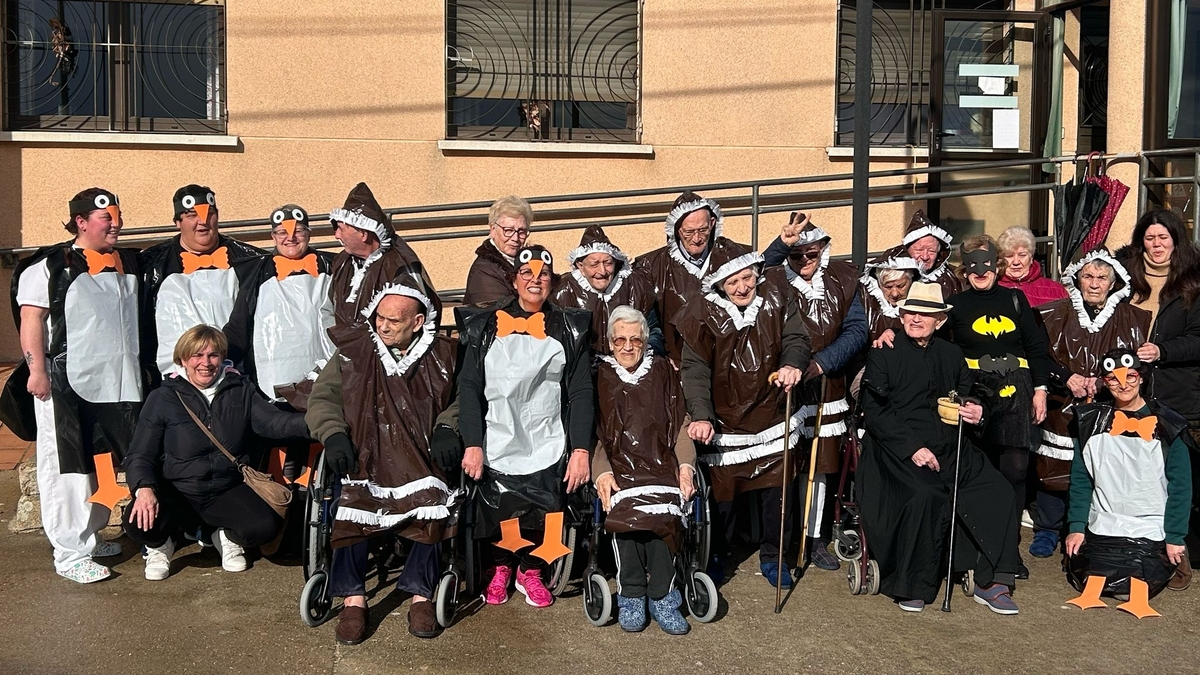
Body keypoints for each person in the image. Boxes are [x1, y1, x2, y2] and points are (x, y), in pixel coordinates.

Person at [306, 279, 456, 644]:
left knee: (433, 500)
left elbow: (463, 399)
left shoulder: (446, 355)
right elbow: (323, 399)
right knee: (351, 502)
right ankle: (354, 599)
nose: (383, 326)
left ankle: (421, 594)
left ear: (418, 322)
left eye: (393, 320)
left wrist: (447, 427)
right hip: (366, 453)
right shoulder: (354, 351)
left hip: (421, 456)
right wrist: (334, 433)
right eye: (379, 318)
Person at [858, 282, 1021, 614]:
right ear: (901, 315)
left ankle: (993, 580)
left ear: (940, 321)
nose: (916, 318)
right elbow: (875, 412)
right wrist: (912, 448)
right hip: (897, 450)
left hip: (950, 445)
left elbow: (970, 391)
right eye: (910, 312)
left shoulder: (951, 353)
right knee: (926, 495)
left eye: (925, 314)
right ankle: (913, 582)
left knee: (998, 490)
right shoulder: (883, 352)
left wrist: (977, 409)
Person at [12, 188, 142, 583]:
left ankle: (92, 531)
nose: (115, 223)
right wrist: (36, 371)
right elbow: (32, 319)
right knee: (66, 463)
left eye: (117, 215)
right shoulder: (48, 266)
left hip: (115, 383)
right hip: (64, 384)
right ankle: (70, 552)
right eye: (106, 217)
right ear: (81, 221)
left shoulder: (125, 262)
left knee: (102, 457)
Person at [457, 245, 593, 609]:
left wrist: (581, 449)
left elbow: (580, 391)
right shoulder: (485, 326)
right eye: (528, 274)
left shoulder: (568, 328)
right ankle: (501, 565)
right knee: (502, 503)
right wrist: (472, 442)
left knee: (546, 502)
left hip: (547, 433)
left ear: (552, 282)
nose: (536, 280)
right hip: (497, 431)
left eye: (544, 274)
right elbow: (468, 387)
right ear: (514, 279)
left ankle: (531, 569)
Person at [672, 238, 811, 588]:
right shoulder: (701, 313)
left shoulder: (779, 298)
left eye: (747, 277)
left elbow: (797, 338)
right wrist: (701, 415)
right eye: (732, 282)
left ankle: (774, 556)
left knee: (777, 495)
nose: (742, 287)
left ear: (757, 273)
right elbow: (695, 369)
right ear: (720, 284)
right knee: (723, 500)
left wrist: (793, 364)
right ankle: (717, 555)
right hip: (725, 420)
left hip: (773, 413)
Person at [122, 325, 309, 580]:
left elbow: (275, 423)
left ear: (222, 357)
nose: (205, 363)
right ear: (183, 360)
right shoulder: (163, 398)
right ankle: (160, 545)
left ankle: (223, 535)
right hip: (178, 490)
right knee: (136, 520)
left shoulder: (240, 390)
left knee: (265, 526)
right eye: (197, 356)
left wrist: (320, 422)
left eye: (213, 355)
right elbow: (140, 454)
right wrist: (144, 488)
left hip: (225, 488)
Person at [761, 214, 867, 571]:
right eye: (797, 256)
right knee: (784, 467)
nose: (805, 261)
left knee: (821, 466)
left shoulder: (843, 279)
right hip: (784, 386)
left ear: (823, 249)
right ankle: (778, 543)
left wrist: (823, 363)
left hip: (826, 384)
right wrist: (781, 246)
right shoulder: (775, 279)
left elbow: (856, 330)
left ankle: (813, 537)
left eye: (812, 254)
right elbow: (756, 268)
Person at [1032, 250, 1150, 559]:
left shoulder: (1132, 318)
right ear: (1077, 279)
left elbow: (1137, 362)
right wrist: (1066, 377)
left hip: (1110, 403)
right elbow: (1039, 355)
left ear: (1113, 283)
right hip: (1063, 402)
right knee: (1054, 463)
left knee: (1103, 468)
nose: (1094, 284)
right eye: (1088, 276)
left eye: (1101, 278)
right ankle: (1047, 528)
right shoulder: (1053, 313)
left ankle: (1087, 527)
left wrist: (1104, 380)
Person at [1065, 348, 1192, 617]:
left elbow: (1181, 486)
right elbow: (1081, 478)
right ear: (1104, 381)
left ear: (1142, 378)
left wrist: (1175, 537)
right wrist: (1076, 527)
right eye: (1113, 378)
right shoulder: (1090, 422)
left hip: (1151, 524)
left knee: (1133, 584)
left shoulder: (1167, 426)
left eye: (1131, 376)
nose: (1123, 384)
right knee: (1091, 579)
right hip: (1105, 521)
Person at [593, 306, 696, 635]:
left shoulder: (664, 371)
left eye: (635, 339)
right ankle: (632, 595)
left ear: (645, 341)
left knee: (663, 517)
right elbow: (593, 436)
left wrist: (686, 466)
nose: (627, 346)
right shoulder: (600, 377)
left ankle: (664, 596)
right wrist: (601, 471)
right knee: (626, 519)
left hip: (661, 466)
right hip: (619, 469)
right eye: (620, 339)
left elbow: (681, 425)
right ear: (610, 343)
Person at [1117, 209, 1200, 590]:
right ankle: (1136, 551)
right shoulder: (1125, 278)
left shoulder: (1192, 283)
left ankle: (1179, 556)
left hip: (1177, 393)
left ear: (1175, 241)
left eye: (1163, 238)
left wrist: (1162, 351)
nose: (1157, 245)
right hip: (1129, 392)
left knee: (1177, 478)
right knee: (1139, 479)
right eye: (1150, 238)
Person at [140, 185, 263, 382]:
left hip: (237, 378)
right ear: (177, 222)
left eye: (210, 214)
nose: (202, 221)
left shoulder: (250, 260)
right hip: (177, 384)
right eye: (191, 215)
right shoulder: (150, 264)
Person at [224, 204, 335, 401]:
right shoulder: (255, 273)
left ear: (309, 233)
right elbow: (239, 324)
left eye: (298, 231)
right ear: (273, 236)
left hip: (327, 377)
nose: (290, 238)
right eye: (282, 232)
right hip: (273, 383)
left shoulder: (334, 267)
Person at [328, 182, 439, 335]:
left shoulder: (398, 266)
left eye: (341, 229)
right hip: (349, 352)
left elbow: (414, 323)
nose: (336, 235)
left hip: (387, 354)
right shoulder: (343, 262)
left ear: (363, 233)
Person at [635, 191, 728, 363]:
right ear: (677, 230)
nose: (697, 238)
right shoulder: (652, 267)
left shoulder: (728, 255)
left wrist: (781, 246)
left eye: (703, 230)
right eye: (689, 232)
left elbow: (758, 272)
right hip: (679, 362)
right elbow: (644, 322)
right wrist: (660, 356)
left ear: (713, 223)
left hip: (726, 361)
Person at [550, 224, 662, 356]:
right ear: (580, 266)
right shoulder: (562, 292)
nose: (602, 271)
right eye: (594, 264)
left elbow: (654, 330)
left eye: (608, 263)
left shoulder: (637, 286)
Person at [464, 195, 533, 305]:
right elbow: (499, 315)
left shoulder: (527, 261)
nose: (515, 238)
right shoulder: (484, 271)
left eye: (521, 231)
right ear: (492, 229)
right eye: (508, 230)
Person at [889, 209, 962, 299]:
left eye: (931, 251)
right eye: (919, 250)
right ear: (907, 250)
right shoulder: (891, 271)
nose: (925, 257)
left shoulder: (951, 277)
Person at [859, 249, 922, 343]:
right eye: (888, 287)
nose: (895, 294)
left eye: (901, 286)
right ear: (878, 284)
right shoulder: (865, 301)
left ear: (911, 280)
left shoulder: (923, 301)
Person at [997, 226, 1067, 307]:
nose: (1016, 262)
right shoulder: (991, 289)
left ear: (1031, 257)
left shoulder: (1057, 291)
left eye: (1022, 255)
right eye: (1009, 256)